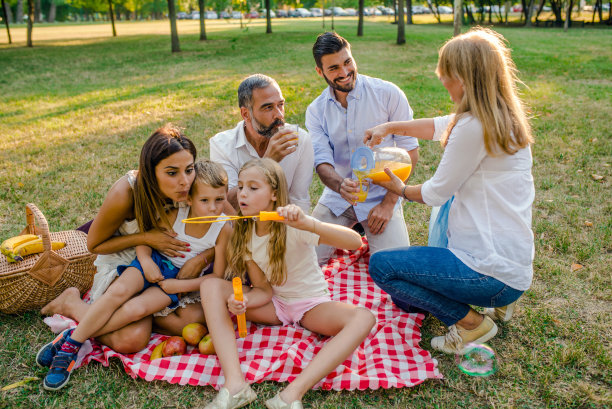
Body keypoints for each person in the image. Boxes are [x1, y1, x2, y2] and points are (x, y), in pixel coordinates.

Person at [365, 28, 535, 354]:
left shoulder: (474, 127)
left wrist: (396, 187)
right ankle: (498, 304)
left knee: (383, 267)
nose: (441, 78)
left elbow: (434, 193)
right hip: (511, 267)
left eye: (447, 72)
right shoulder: (502, 117)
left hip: (488, 272)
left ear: (466, 77)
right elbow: (439, 125)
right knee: (409, 282)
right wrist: (390, 127)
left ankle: (471, 323)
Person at [38, 159, 233, 391]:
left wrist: (178, 286)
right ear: (189, 198)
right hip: (152, 263)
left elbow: (216, 278)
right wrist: (146, 260)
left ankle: (71, 336)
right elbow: (146, 239)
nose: (213, 208)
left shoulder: (224, 229)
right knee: (119, 292)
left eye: (219, 199)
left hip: (173, 281)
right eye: (205, 200)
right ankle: (72, 346)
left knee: (136, 309)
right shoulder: (175, 213)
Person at [200, 158, 375, 409]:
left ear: (273, 194)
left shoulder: (292, 223)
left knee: (364, 318)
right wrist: (244, 301)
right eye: (240, 187)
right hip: (276, 304)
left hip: (311, 306)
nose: (242, 194)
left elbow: (354, 243)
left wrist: (308, 223)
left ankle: (290, 395)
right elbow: (263, 288)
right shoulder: (245, 232)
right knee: (210, 286)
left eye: (253, 187)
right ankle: (235, 385)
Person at [305, 32, 420, 265]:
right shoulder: (316, 111)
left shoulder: (388, 94)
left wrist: (388, 205)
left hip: (382, 197)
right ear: (320, 72)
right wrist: (340, 185)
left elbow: (410, 152)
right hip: (338, 197)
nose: (345, 73)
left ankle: (363, 233)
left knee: (396, 269)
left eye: (347, 62)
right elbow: (322, 163)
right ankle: (353, 232)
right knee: (302, 259)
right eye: (334, 68)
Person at [210, 74, 314, 214]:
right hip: (240, 227)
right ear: (246, 114)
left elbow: (298, 201)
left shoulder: (300, 140)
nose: (279, 115)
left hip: (283, 225)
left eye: (280, 105)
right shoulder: (221, 145)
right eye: (268, 108)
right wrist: (267, 163)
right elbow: (228, 204)